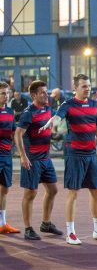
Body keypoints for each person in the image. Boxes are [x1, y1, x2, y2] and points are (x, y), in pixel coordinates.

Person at [40, 74, 97, 245]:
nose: (87, 88)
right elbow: (58, 117)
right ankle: (71, 233)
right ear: (75, 88)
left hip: (91, 154)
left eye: (89, 85)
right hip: (74, 154)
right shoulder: (68, 104)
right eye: (84, 86)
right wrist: (52, 122)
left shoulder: (95, 105)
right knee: (73, 192)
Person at [14, 80, 62, 240]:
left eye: (46, 92)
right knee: (30, 193)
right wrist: (23, 156)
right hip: (32, 159)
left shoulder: (48, 108)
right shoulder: (28, 113)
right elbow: (18, 134)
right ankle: (28, 229)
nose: (46, 95)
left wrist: (53, 133)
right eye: (42, 92)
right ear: (34, 95)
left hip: (45, 158)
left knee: (53, 190)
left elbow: (48, 124)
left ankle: (46, 224)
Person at [0, 82, 19, 235]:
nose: (5, 96)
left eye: (7, 93)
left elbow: (13, 133)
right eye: (2, 93)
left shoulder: (10, 111)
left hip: (7, 155)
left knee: (5, 188)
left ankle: (2, 223)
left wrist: (19, 149)